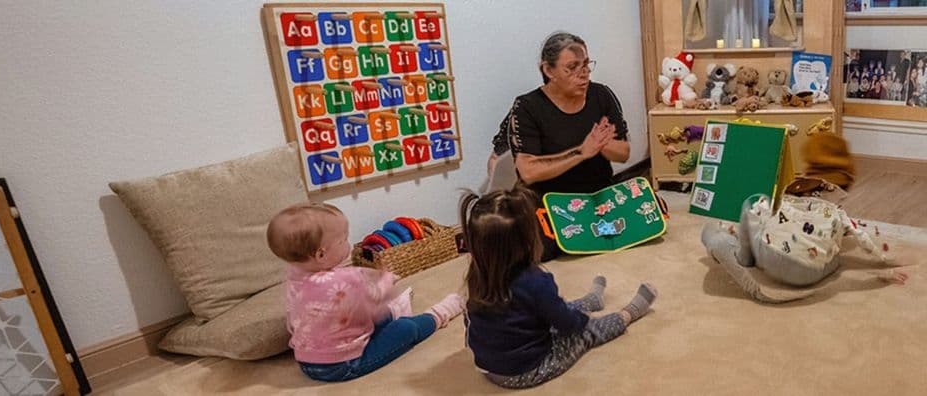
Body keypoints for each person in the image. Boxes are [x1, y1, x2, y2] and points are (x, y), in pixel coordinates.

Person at [459, 188, 657, 389]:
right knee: (586, 332)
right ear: (527, 239)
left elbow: (470, 322)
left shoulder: (477, 276)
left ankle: (592, 300)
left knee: (549, 310)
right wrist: (584, 320)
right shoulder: (535, 281)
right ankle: (628, 314)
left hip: (490, 370)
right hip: (527, 370)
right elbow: (568, 324)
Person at [268, 202, 464, 382]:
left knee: (382, 315)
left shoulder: (296, 275)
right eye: (343, 240)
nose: (349, 243)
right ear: (321, 254)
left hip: (306, 360)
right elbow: (375, 299)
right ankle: (440, 314)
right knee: (405, 328)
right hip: (343, 365)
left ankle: (396, 313)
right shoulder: (343, 281)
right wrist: (386, 281)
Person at [489, 31, 631, 261]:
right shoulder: (527, 106)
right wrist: (580, 152)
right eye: (572, 67)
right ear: (548, 70)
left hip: (597, 196)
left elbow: (624, 153)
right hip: (549, 202)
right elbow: (528, 171)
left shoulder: (601, 95)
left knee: (641, 222)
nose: (583, 74)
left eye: (586, 65)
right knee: (538, 252)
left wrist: (602, 145)